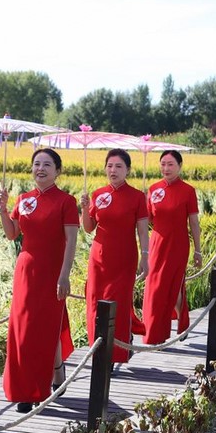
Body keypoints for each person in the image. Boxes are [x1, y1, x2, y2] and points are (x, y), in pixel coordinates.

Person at [0, 149, 78, 413]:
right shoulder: (24, 199)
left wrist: (64, 274)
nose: (40, 168)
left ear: (57, 171)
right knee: (22, 330)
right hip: (26, 270)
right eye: (36, 164)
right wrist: (3, 209)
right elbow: (12, 233)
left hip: (52, 271)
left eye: (47, 164)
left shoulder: (66, 201)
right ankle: (25, 390)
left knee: (44, 329)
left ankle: (41, 385)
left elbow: (71, 241)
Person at [81, 149, 149, 364]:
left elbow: (142, 230)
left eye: (119, 166)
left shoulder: (137, 197)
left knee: (117, 303)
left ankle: (117, 352)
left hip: (124, 257)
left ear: (128, 170)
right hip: (99, 257)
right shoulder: (98, 194)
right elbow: (88, 227)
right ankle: (98, 351)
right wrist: (84, 209)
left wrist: (145, 256)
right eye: (110, 166)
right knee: (95, 302)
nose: (113, 170)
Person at [142, 150, 203, 344]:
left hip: (178, 245)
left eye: (170, 164)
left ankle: (180, 323)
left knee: (173, 287)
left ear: (179, 166)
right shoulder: (153, 189)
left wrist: (198, 250)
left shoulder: (188, 191)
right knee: (154, 287)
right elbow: (147, 220)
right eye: (163, 164)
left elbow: (194, 223)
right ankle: (154, 333)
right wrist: (142, 204)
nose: (166, 168)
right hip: (157, 244)